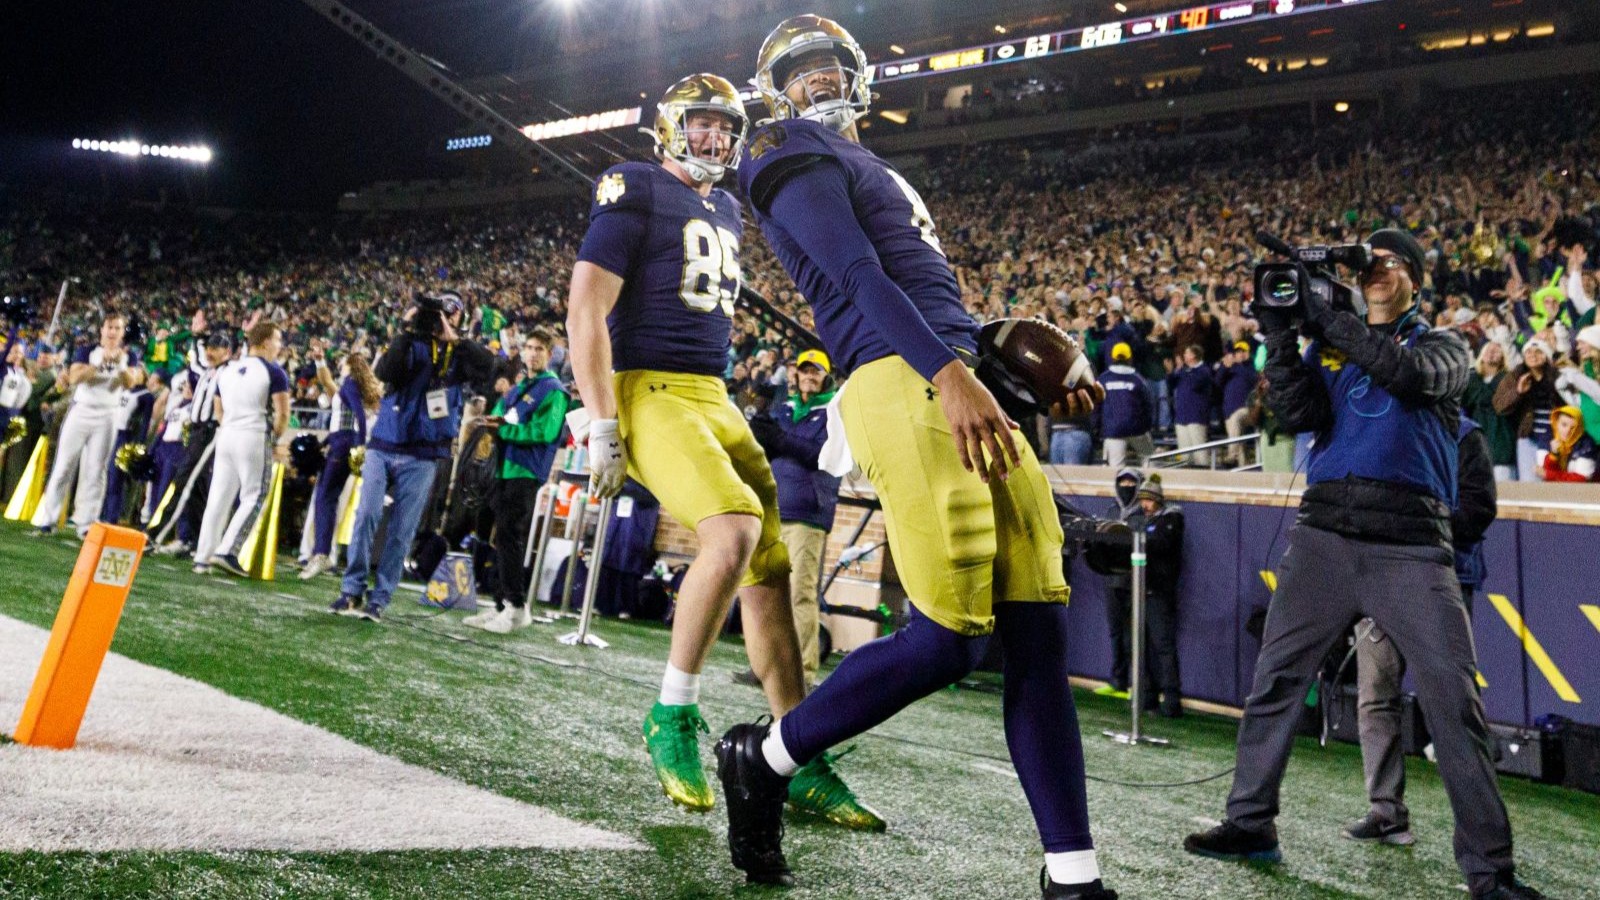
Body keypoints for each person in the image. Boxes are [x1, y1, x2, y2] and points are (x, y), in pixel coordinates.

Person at [719, 17, 1113, 897]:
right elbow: (857, 275)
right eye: (800, 71)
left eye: (831, 65)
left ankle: (1073, 875)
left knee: (1037, 631)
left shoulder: (876, 166)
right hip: (899, 377)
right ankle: (767, 757)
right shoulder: (782, 145)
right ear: (777, 92)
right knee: (948, 641)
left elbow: (926, 294)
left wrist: (1008, 365)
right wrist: (949, 372)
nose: (819, 79)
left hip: (951, 370)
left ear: (860, 76)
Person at [1184, 228, 1544, 900]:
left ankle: (1490, 871)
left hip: (1411, 544)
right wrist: (1281, 337)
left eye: (1390, 260)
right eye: (1368, 261)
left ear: (1415, 280)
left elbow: (1405, 375)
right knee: (1275, 680)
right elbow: (1296, 413)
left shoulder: (1445, 346)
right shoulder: (1331, 347)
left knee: (1453, 701)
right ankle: (1250, 821)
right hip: (1324, 534)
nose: (1376, 267)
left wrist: (1326, 318)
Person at [564, 74, 877, 830]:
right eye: (701, 123)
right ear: (670, 126)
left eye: (725, 127)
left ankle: (796, 752)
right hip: (650, 388)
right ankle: (671, 712)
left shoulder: (729, 206)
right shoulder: (633, 183)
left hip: (714, 393)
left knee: (769, 568)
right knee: (732, 531)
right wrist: (602, 423)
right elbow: (585, 307)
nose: (714, 137)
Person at [1346, 411, 1497, 846]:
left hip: (1441, 578)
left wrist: (1417, 526)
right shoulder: (1380, 424)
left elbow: (1478, 510)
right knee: (1375, 695)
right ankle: (1384, 811)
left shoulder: (1465, 435)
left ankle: (1480, 833)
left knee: (1453, 703)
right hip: (1380, 578)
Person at [331, 291, 495, 621]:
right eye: (438, 314)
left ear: (459, 319)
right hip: (384, 444)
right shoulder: (410, 343)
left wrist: (456, 340)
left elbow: (488, 367)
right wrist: (406, 332)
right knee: (366, 515)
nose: (441, 320)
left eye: (450, 314)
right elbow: (386, 372)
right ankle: (351, 589)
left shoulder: (460, 353)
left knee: (402, 530)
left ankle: (379, 598)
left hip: (423, 453)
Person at [744, 347, 840, 687]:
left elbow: (822, 455)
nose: (809, 376)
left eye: (816, 371)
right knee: (766, 593)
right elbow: (770, 447)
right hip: (774, 507)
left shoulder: (834, 412)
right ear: (796, 374)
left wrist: (780, 439)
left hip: (807, 514)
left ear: (826, 376)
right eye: (805, 370)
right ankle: (764, 666)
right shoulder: (782, 408)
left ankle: (803, 672)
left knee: (800, 593)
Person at [464, 329, 570, 633]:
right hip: (502, 469)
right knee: (499, 536)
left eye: (539, 349)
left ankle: (516, 606)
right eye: (529, 347)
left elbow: (545, 432)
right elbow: (499, 414)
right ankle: (502, 604)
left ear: (550, 354)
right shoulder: (519, 388)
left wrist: (504, 430)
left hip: (525, 471)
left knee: (510, 535)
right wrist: (489, 422)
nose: (532, 353)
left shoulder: (553, 391)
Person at [31, 311, 140, 538]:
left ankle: (86, 522)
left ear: (122, 332)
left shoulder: (129, 356)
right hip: (82, 410)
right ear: (102, 329)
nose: (112, 332)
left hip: (108, 414)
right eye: (109, 327)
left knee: (96, 469)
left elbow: (131, 382)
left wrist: (120, 365)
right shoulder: (88, 350)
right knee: (64, 465)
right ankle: (48, 519)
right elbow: (75, 378)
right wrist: (100, 363)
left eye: (117, 328)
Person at [193, 321, 290, 576]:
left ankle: (203, 557)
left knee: (218, 497)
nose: (279, 346)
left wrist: (230, 425)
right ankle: (227, 551)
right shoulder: (274, 372)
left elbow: (218, 408)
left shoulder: (229, 369)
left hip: (227, 434)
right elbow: (283, 414)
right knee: (254, 495)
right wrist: (273, 438)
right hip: (253, 434)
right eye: (277, 340)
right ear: (266, 342)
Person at [149, 330, 234, 554]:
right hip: (197, 432)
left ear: (227, 351)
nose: (210, 352)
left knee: (184, 482)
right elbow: (195, 363)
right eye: (209, 347)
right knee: (197, 489)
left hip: (209, 431)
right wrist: (196, 336)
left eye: (215, 348)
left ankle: (156, 535)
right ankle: (194, 541)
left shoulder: (228, 373)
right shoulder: (208, 371)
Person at [299, 351, 381, 579]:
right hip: (341, 442)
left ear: (350, 366)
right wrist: (325, 443)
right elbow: (345, 420)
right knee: (327, 498)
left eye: (344, 363)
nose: (341, 366)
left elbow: (358, 417)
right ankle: (322, 552)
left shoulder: (350, 383)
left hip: (343, 445)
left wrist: (359, 446)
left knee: (325, 497)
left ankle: (322, 553)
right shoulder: (354, 385)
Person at [1131, 474, 1185, 718]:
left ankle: (1172, 701)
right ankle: (1147, 696)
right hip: (1140, 590)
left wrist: (1139, 536)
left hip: (1159, 593)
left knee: (1163, 647)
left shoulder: (1172, 519)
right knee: (1140, 647)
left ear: (1159, 500)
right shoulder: (1140, 519)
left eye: (1149, 500)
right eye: (1142, 500)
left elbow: (1161, 543)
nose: (1145, 505)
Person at [1097, 468, 1143, 698]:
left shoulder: (1142, 513)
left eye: (1130, 483)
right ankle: (1118, 682)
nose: (1126, 487)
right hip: (1111, 579)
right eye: (1122, 482)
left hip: (1134, 582)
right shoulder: (1111, 510)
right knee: (1115, 632)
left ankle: (1137, 684)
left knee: (1132, 635)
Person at [1492, 338, 1561, 482]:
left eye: (1538, 352)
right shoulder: (1516, 375)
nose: (1533, 355)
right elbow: (1499, 405)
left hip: (1554, 438)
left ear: (1546, 356)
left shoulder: (1558, 377)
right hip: (1528, 437)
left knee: (1551, 481)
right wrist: (1518, 392)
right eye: (1528, 352)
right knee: (1529, 481)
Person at [1096, 342, 1154, 469]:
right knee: (1149, 460)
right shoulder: (1138, 379)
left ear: (1112, 358)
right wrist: (1147, 427)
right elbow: (1148, 406)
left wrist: (1098, 428)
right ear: (1129, 358)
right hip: (1137, 429)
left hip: (1113, 430)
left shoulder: (1103, 379)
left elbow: (1096, 407)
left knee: (1115, 469)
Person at [1465, 342, 1517, 481]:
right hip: (1477, 445)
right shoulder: (1471, 379)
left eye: (1496, 350)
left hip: (1502, 442)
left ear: (1503, 357)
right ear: (1481, 355)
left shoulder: (1509, 379)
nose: (1492, 352)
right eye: (1488, 349)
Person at [1168, 344, 1215, 467]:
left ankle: (1204, 475)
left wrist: (1181, 370)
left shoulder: (1204, 370)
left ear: (1193, 355)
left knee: (1200, 455)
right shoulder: (1183, 371)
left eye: (1187, 353)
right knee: (1185, 456)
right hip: (1181, 417)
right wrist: (1171, 372)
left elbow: (1194, 384)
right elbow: (1171, 384)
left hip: (1196, 417)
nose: (1184, 355)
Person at [1217, 341, 1257, 466]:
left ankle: (1231, 455)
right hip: (1229, 410)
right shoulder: (1229, 367)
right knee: (1238, 443)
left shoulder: (1250, 367)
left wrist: (1240, 364)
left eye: (1243, 351)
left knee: (1236, 418)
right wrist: (1225, 367)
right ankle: (1242, 467)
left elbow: (1253, 379)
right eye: (1238, 352)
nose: (1240, 354)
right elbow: (1217, 382)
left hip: (1247, 410)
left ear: (1248, 353)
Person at [1538, 406, 1597, 482]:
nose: (1567, 431)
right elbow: (1545, 474)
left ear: (1579, 429)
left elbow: (1581, 479)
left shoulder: (1587, 444)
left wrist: (1549, 475)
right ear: (1556, 423)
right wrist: (1554, 455)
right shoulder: (1548, 438)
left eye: (1573, 428)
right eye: (1564, 425)